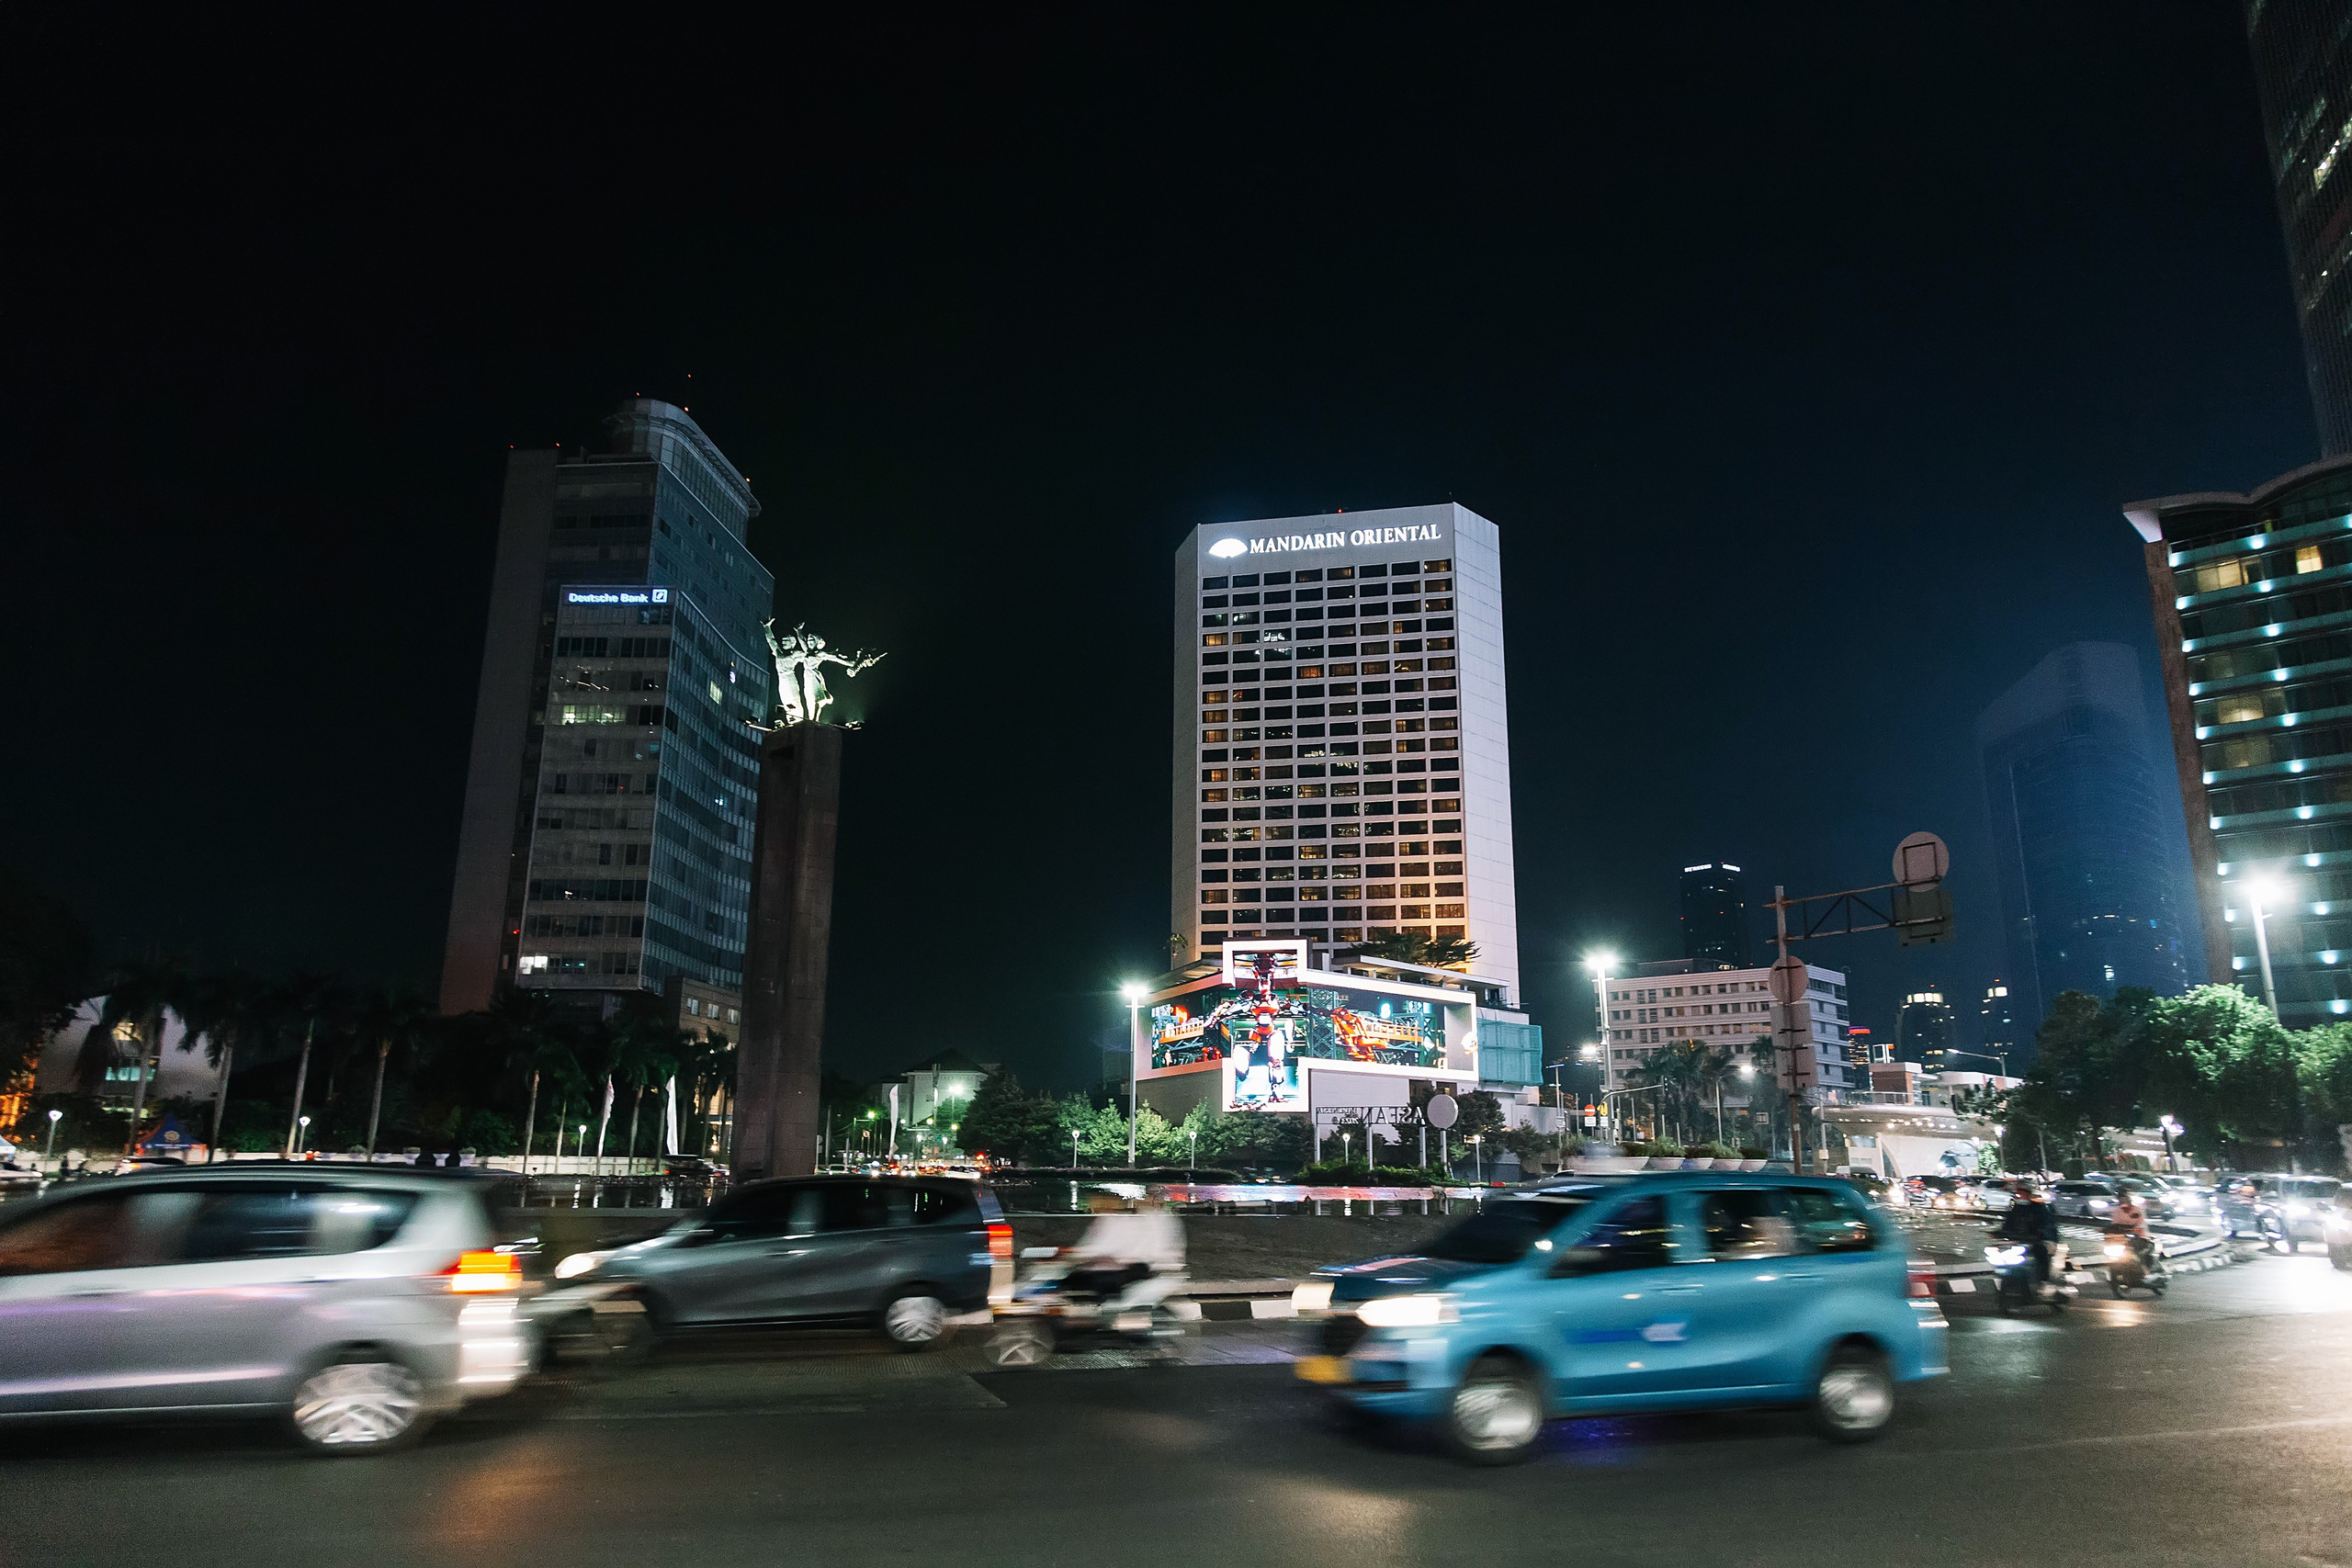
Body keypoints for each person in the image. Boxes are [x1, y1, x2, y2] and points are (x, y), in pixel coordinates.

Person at [1995, 1182, 2062, 1292]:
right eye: (2018, 1193)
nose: (2020, 1195)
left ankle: (2044, 1281)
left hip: (2036, 1241)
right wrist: (1999, 1233)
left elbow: (2047, 1224)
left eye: (2022, 1193)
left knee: (2041, 1252)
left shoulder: (2039, 1209)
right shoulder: (2014, 1209)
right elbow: (2007, 1225)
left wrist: (2042, 1235)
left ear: (2028, 1194)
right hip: (2018, 1242)